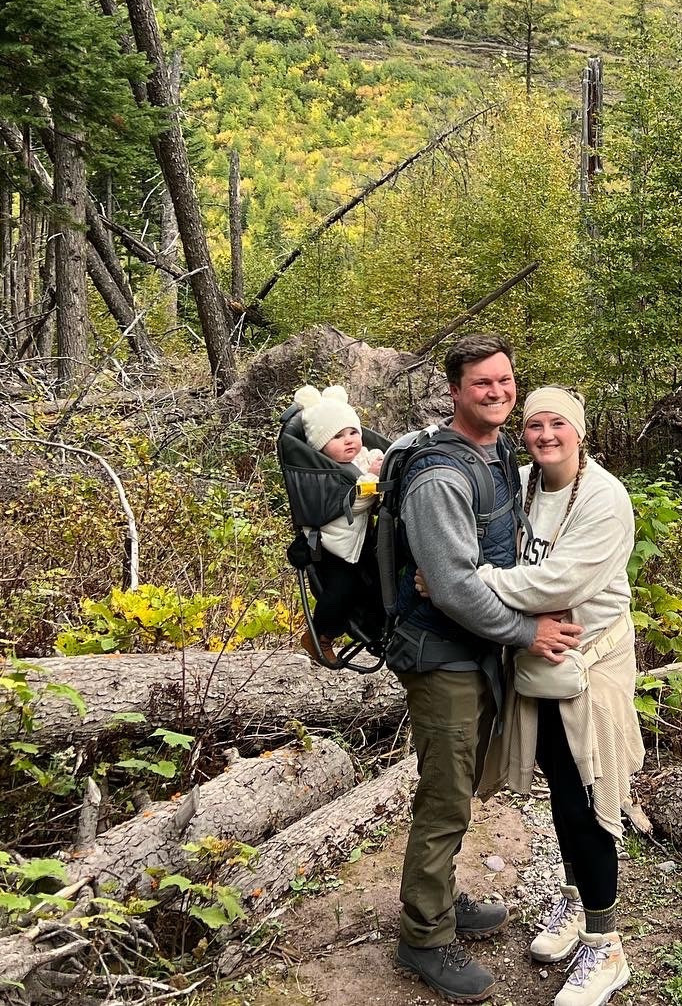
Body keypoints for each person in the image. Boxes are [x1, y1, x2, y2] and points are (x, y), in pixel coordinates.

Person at [391, 336, 584, 1004]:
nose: (498, 392)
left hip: (472, 650)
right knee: (444, 795)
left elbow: (490, 556)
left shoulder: (497, 450)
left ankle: (439, 899)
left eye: (505, 381)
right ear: (454, 390)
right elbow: (454, 589)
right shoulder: (441, 475)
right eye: (482, 384)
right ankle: (424, 936)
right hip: (440, 654)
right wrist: (527, 631)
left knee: (462, 781)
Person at [477, 386, 643, 1006]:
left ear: (579, 431)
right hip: (538, 656)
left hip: (591, 660)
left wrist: (470, 584)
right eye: (535, 424)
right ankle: (576, 909)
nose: (546, 435)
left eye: (558, 424)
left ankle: (607, 948)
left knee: (588, 795)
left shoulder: (605, 499)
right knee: (558, 786)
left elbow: (559, 580)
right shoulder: (519, 484)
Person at [288, 384, 385, 665]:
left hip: (356, 543)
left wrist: (378, 461)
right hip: (332, 548)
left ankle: (370, 630)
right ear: (320, 445)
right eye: (337, 436)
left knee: (369, 587)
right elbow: (352, 502)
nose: (349, 440)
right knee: (339, 592)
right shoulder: (324, 472)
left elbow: (371, 460)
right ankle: (319, 636)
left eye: (353, 432)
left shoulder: (357, 459)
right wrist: (374, 479)